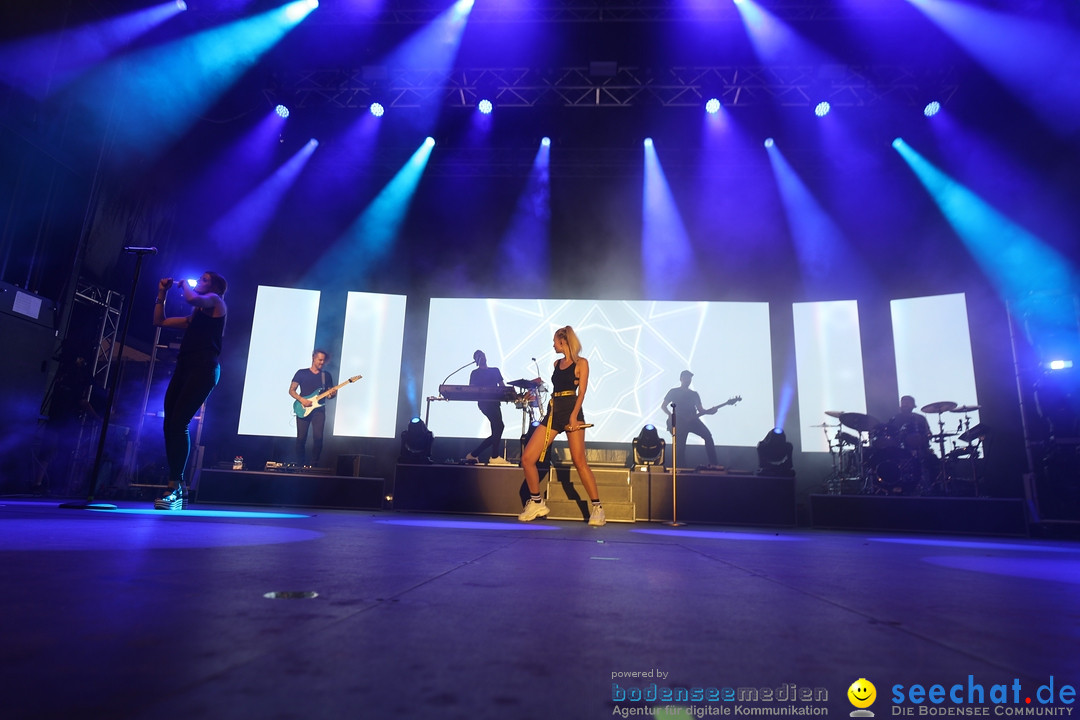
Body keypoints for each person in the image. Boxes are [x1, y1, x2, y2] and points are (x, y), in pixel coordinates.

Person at [153, 272, 227, 510]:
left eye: (204, 279)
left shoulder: (216, 301)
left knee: (179, 423)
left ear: (214, 287)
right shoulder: (194, 316)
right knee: (169, 423)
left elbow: (192, 299)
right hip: (185, 367)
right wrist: (162, 294)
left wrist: (185, 285)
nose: (199, 282)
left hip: (204, 369)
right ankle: (179, 486)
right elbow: (159, 321)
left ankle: (173, 487)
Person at [518, 326, 605, 526]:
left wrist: (574, 418)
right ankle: (537, 502)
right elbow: (556, 388)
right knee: (528, 458)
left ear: (563, 341)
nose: (553, 345)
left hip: (572, 410)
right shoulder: (557, 363)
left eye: (555, 341)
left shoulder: (581, 363)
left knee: (579, 461)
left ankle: (597, 508)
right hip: (553, 412)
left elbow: (581, 392)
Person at [661, 370, 720, 469]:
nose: (688, 380)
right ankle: (681, 469)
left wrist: (711, 411)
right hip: (679, 422)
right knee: (680, 446)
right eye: (686, 377)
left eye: (690, 378)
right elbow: (663, 406)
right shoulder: (673, 391)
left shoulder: (694, 394)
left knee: (707, 435)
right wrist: (670, 415)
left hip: (693, 420)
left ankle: (714, 464)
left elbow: (701, 410)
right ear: (681, 379)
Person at [289, 349, 335, 467]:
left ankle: (314, 464)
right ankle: (300, 464)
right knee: (301, 438)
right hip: (303, 408)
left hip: (319, 410)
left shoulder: (326, 376)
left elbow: (329, 396)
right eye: (319, 360)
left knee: (318, 437)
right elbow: (291, 390)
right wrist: (302, 400)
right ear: (313, 358)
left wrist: (332, 394)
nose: (321, 363)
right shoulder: (301, 373)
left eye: (323, 361)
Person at [464, 350, 510, 465]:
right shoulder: (475, 373)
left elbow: (502, 386)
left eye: (483, 355)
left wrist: (508, 394)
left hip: (495, 402)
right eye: (478, 357)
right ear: (476, 361)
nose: (482, 358)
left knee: (498, 427)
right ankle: (494, 456)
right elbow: (472, 389)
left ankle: (474, 454)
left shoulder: (495, 370)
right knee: (499, 426)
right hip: (484, 403)